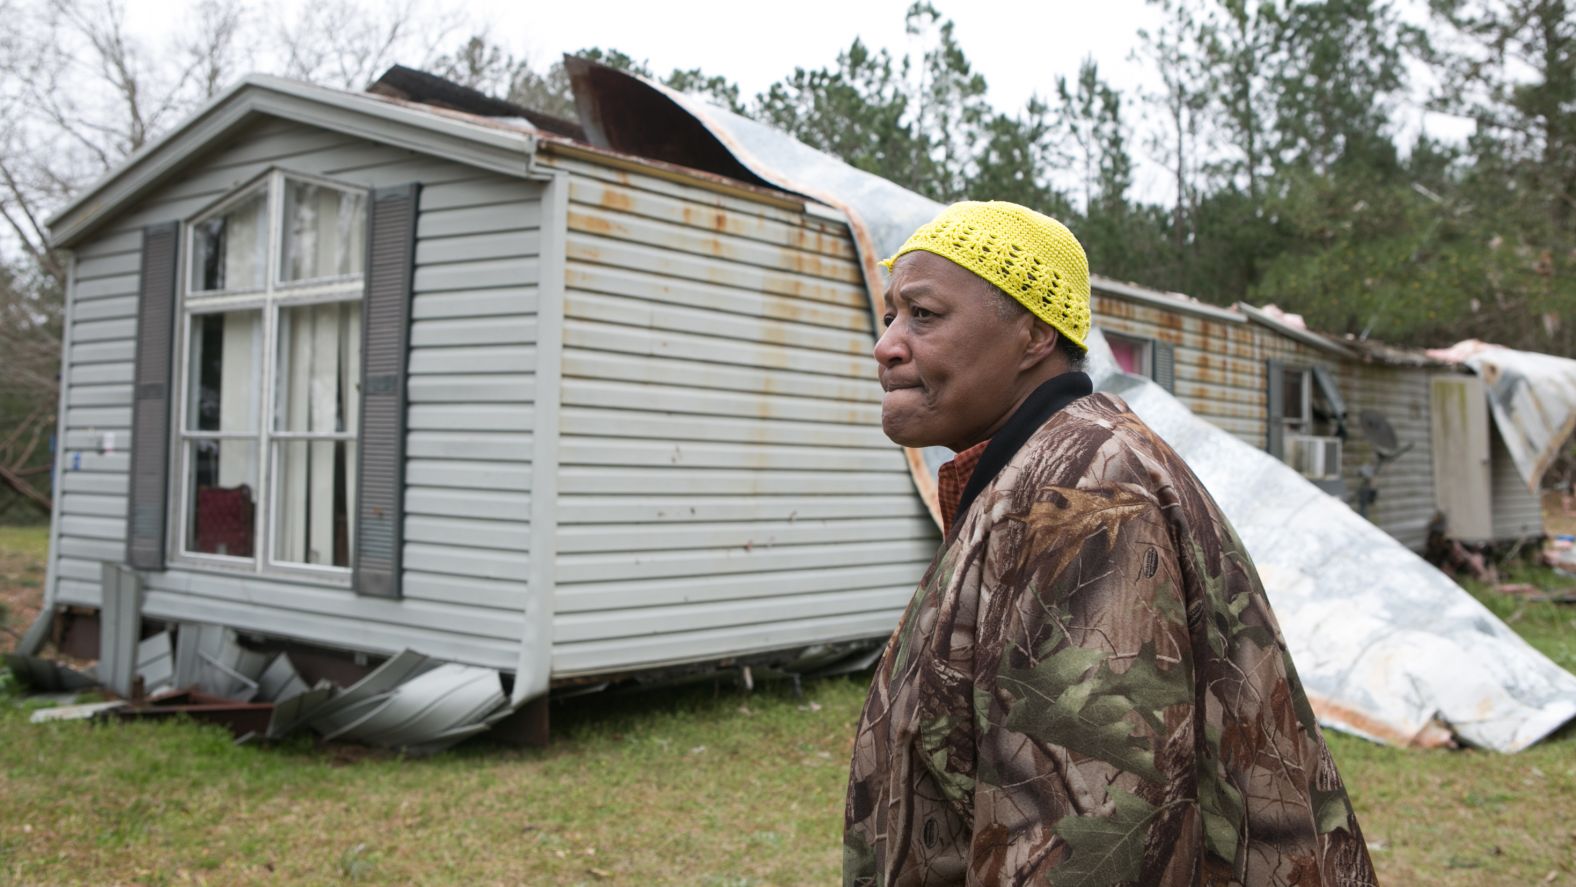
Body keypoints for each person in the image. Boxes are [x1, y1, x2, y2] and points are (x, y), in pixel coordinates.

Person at [843, 201, 1376, 886]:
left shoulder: (1084, 497)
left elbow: (1089, 840)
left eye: (923, 314)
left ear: (1034, 335)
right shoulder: (1037, 473)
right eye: (890, 315)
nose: (887, 343)